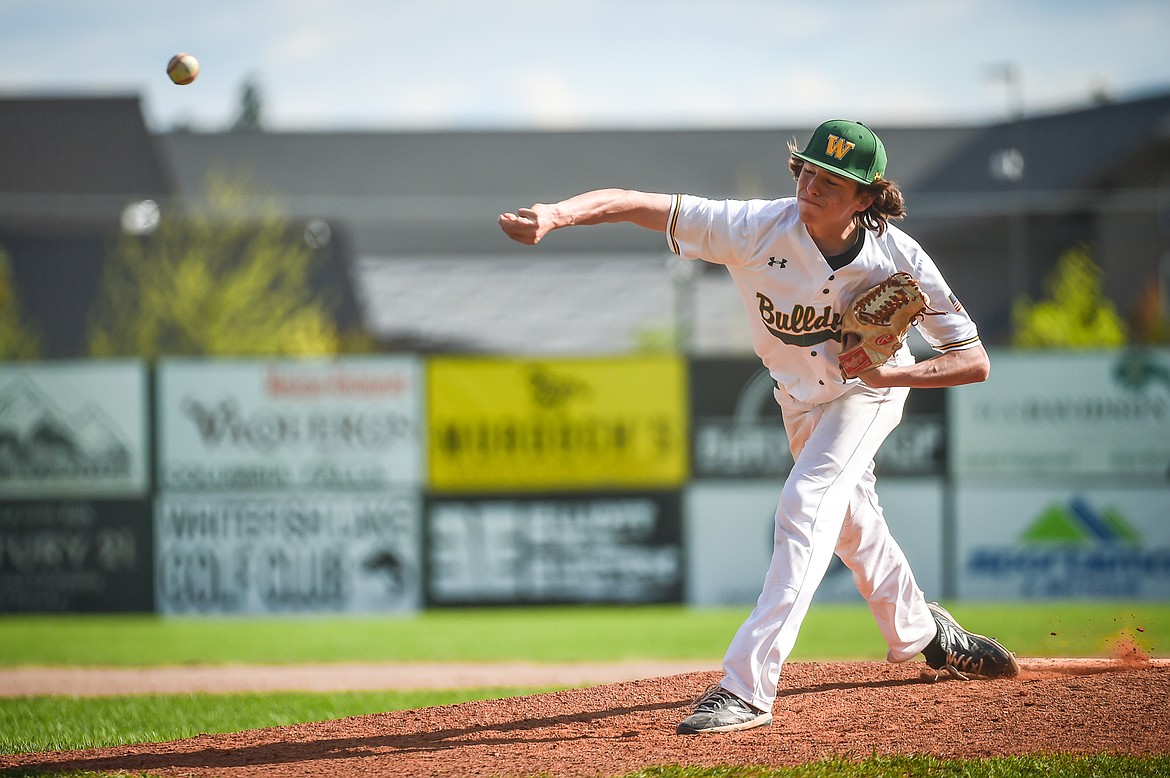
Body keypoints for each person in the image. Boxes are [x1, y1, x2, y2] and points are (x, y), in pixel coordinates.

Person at [498, 119, 1020, 735]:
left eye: (834, 180)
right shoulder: (752, 229)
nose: (813, 186)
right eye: (808, 171)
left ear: (866, 197)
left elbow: (972, 360)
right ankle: (925, 634)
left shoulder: (897, 258)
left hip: (867, 393)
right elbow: (637, 203)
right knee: (852, 525)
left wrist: (889, 380)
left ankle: (747, 688)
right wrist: (558, 214)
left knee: (805, 505)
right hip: (798, 399)